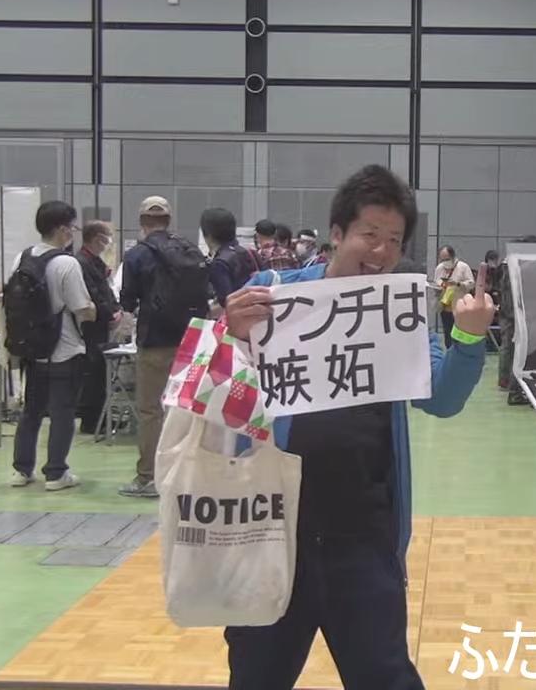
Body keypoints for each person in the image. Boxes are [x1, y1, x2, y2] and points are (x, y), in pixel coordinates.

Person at [220, 165, 493, 690]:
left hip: (364, 537)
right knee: (256, 676)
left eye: (394, 239)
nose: (382, 250)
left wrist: (468, 337)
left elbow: (441, 398)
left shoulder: (398, 312)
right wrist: (229, 335)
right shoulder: (270, 295)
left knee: (383, 676)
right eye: (370, 233)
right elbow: (207, 392)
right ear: (337, 233)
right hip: (269, 533)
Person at [117, 196, 209, 497]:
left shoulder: (137, 255)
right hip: (191, 342)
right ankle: (186, 473)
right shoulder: (190, 249)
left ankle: (149, 477)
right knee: (185, 408)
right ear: (169, 221)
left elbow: (127, 302)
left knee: (150, 410)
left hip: (154, 342)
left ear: (142, 222)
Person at [8, 200, 95, 490]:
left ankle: (22, 470)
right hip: (64, 349)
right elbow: (82, 308)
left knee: (31, 412)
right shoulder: (66, 263)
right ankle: (56, 473)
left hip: (32, 349)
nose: (72, 232)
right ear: (61, 229)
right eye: (71, 227)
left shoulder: (21, 258)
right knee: (62, 413)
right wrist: (96, 310)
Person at [76, 219, 118, 436]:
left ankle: (102, 416)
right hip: (91, 326)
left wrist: (116, 309)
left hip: (102, 324)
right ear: (96, 239)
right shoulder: (82, 263)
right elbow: (92, 294)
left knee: (101, 372)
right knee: (93, 372)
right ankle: (91, 420)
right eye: (106, 239)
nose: (108, 243)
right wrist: (108, 313)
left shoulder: (95, 262)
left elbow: (106, 291)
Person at [200, 206, 259, 305]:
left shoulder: (219, 264)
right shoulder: (248, 252)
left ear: (207, 234)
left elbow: (226, 302)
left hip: (237, 311)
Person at [433, 244, 474, 346]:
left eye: (447, 259)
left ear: (453, 256)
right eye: (442, 260)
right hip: (445, 306)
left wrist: (458, 284)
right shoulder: (439, 268)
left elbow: (471, 283)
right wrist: (441, 286)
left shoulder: (463, 267)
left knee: (460, 334)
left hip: (460, 307)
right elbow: (436, 282)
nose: (444, 262)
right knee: (448, 334)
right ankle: (449, 351)